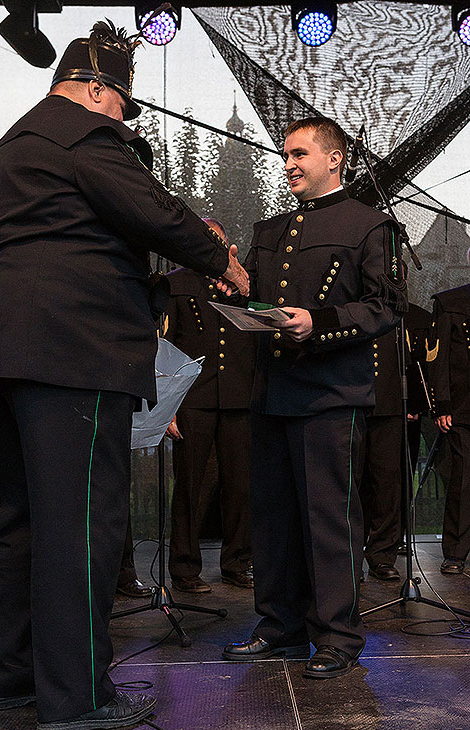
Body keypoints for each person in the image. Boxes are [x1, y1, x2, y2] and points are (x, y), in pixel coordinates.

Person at [0, 21, 248, 730]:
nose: (126, 118)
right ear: (97, 88)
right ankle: (76, 697)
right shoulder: (84, 136)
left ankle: (10, 681)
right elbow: (154, 210)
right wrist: (218, 255)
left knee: (23, 526)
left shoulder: (12, 150)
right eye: (123, 103)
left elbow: (72, 239)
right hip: (70, 350)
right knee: (83, 526)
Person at [223, 116, 407, 678]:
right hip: (272, 391)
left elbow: (388, 306)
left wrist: (320, 322)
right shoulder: (269, 230)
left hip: (330, 393)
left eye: (300, 153)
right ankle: (279, 628)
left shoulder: (372, 225)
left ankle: (338, 636)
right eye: (285, 155)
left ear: (336, 159)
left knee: (329, 518)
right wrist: (236, 288)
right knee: (273, 518)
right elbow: (260, 298)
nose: (289, 164)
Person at [165, 219, 256, 594]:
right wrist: (166, 406)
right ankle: (184, 568)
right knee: (191, 484)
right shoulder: (175, 283)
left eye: (219, 240)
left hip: (238, 396)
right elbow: (165, 345)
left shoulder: (244, 282)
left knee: (241, 485)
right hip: (193, 399)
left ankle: (238, 562)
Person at [360, 301, 431, 581]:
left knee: (389, 482)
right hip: (355, 399)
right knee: (354, 483)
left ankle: (381, 554)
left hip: (391, 404)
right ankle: (349, 557)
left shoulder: (405, 315)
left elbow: (414, 362)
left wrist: (413, 402)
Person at [426, 283, 470, 575]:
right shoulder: (451, 301)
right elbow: (437, 357)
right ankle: (455, 551)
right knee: (463, 479)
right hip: (463, 406)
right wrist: (441, 404)